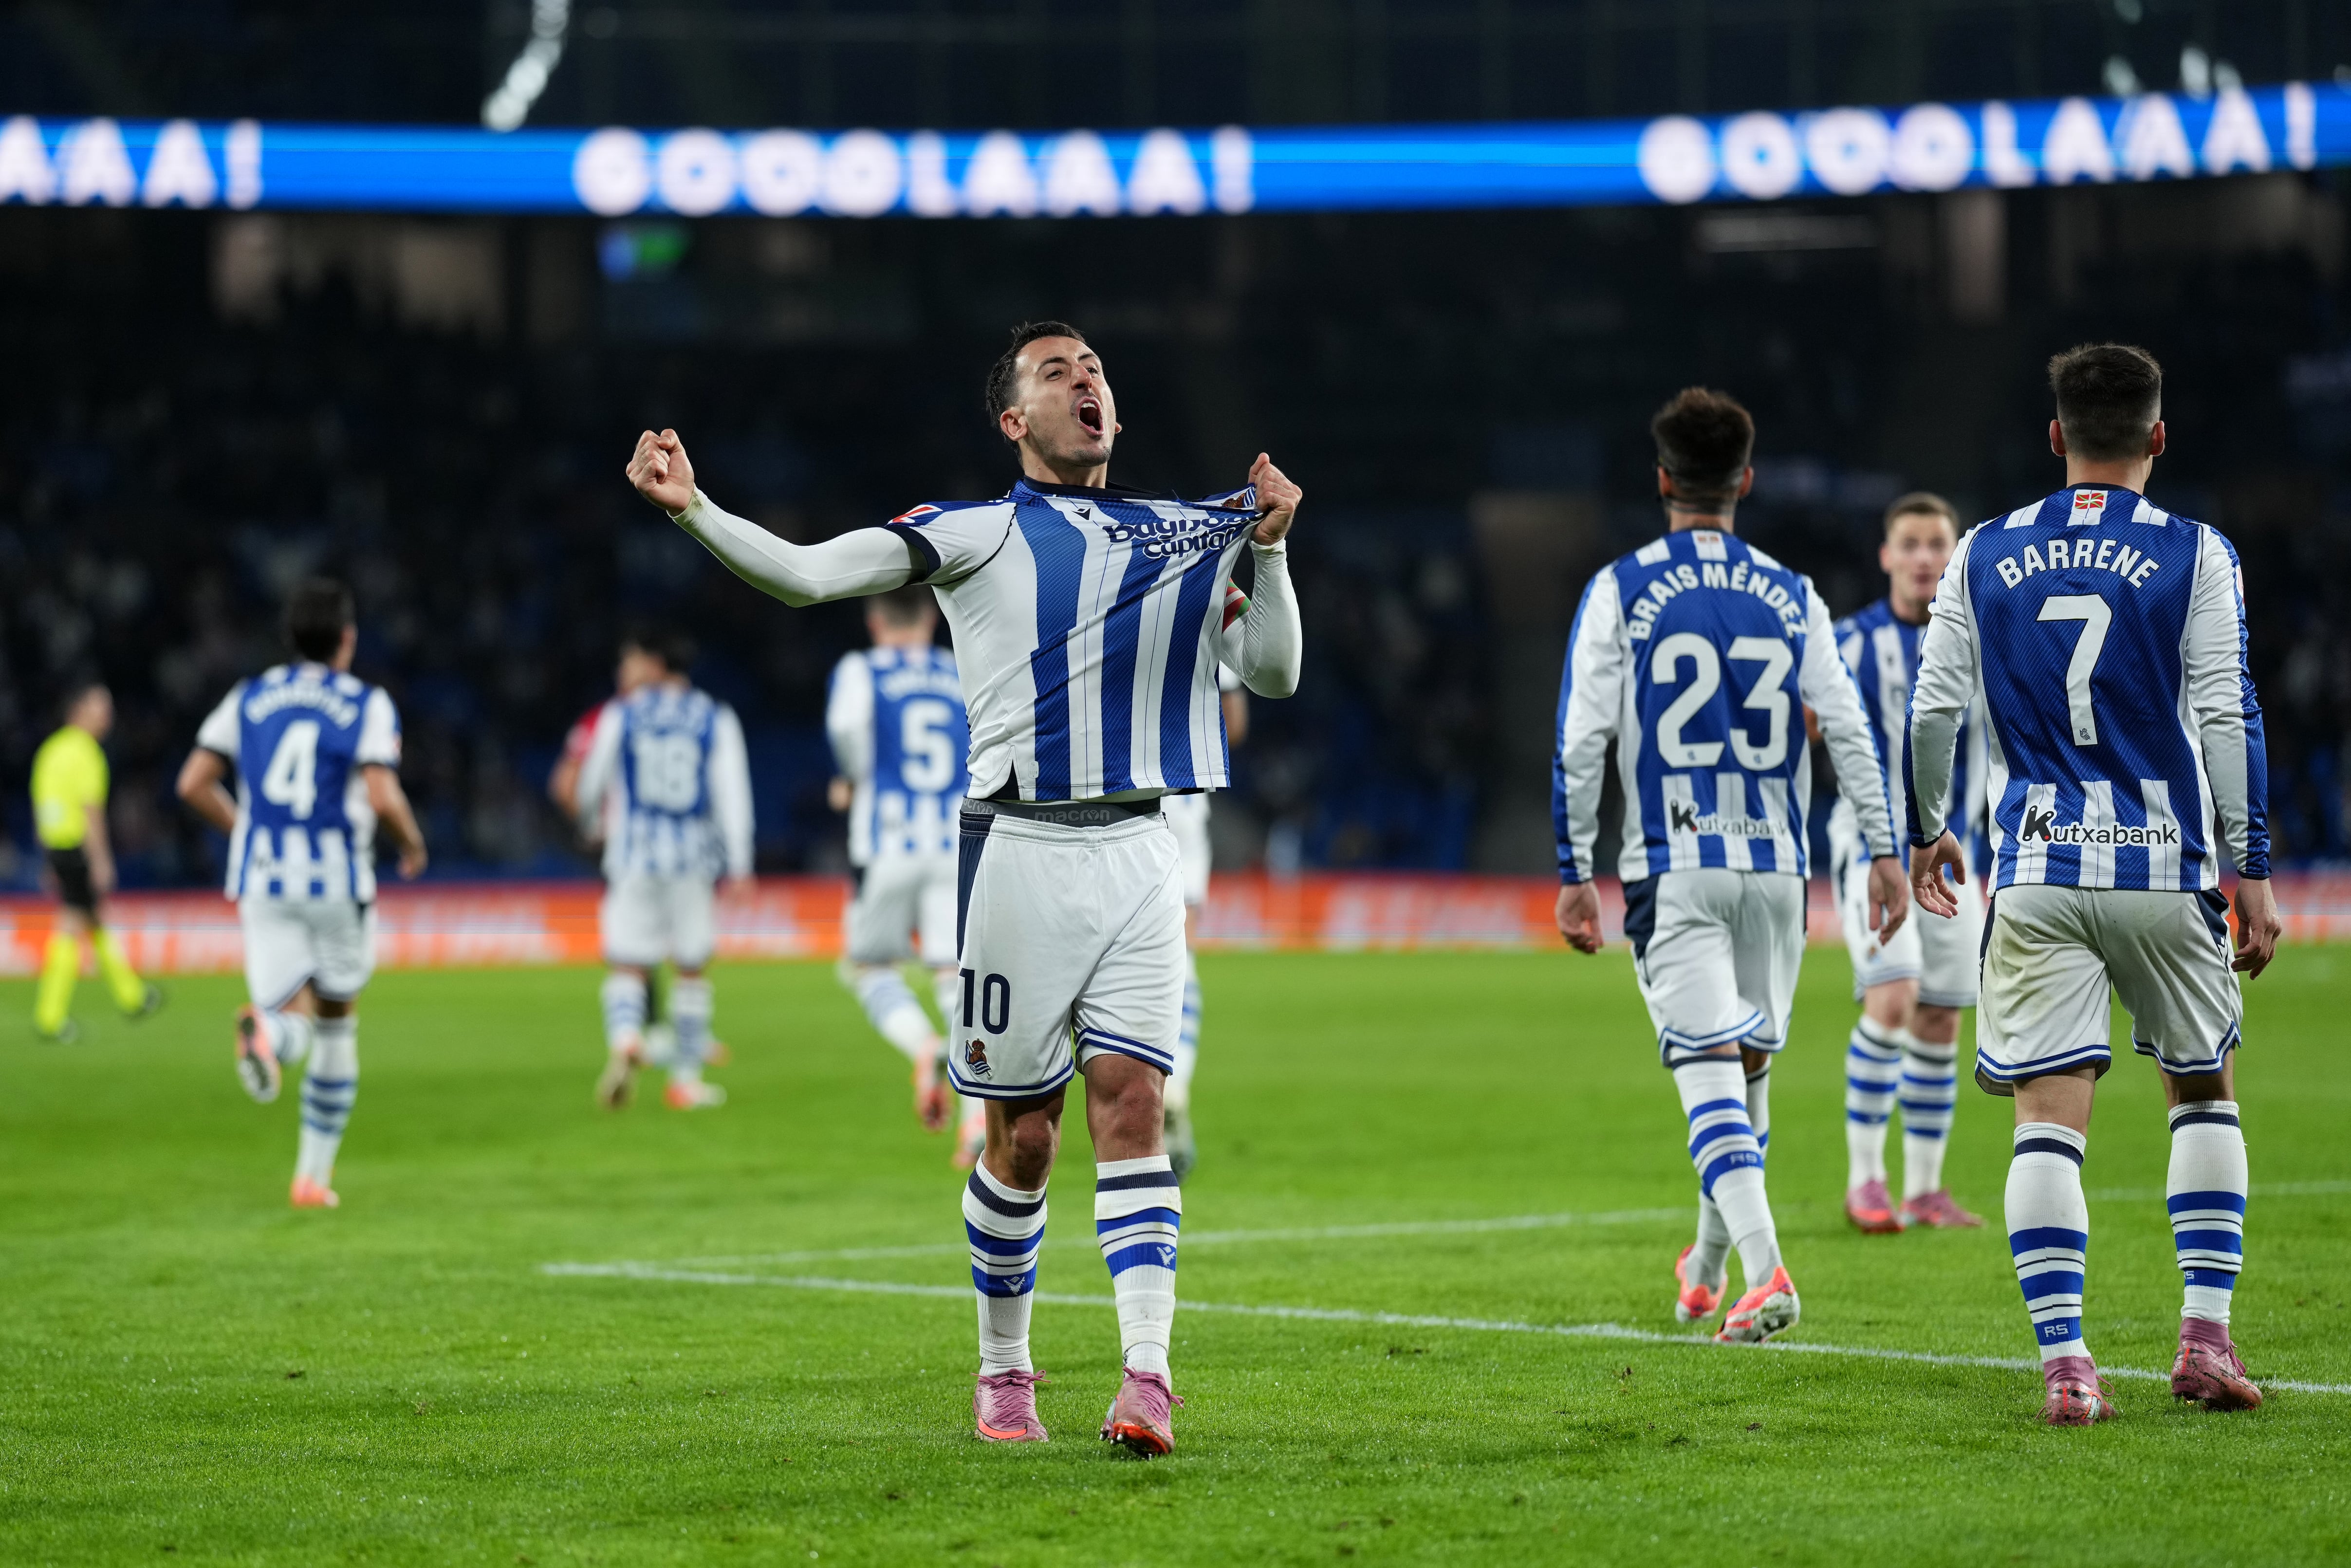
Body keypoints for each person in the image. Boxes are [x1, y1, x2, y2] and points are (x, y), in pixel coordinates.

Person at [625, 319, 1302, 1457]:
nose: (1084, 379)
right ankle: (1003, 1371)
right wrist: (693, 507)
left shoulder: (1186, 534)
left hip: (1142, 852)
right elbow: (801, 577)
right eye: (1055, 371)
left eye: (1093, 367)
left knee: (1133, 1106)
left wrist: (1271, 549)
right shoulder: (972, 534)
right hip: (1018, 857)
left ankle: (1147, 1378)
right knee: (1023, 1141)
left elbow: (1272, 673)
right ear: (1013, 420)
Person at [1905, 343, 2280, 1426]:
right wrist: (2246, 866)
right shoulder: (2194, 552)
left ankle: (2066, 1362)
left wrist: (1927, 828)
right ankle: (2202, 1337)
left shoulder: (1980, 550)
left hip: (2035, 870)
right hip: (2163, 867)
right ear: (2156, 437)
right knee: (2199, 1087)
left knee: (2044, 1121)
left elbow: (1933, 712)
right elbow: (2221, 709)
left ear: (2053, 436)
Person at [1554, 387, 1907, 1346]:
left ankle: (1765, 1270)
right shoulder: (1793, 593)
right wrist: (1882, 849)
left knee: (1710, 1068)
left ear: (1661, 479)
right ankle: (1705, 1266)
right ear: (1743, 482)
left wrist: (1570, 865)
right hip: (1778, 874)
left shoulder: (1620, 587)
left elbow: (1580, 740)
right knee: (1740, 1071)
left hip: (1675, 863)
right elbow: (1847, 729)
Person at [175, 579, 428, 1209]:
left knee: (292, 1010)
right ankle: (311, 1176)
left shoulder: (250, 696)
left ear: (289, 638)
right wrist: (412, 844)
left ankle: (267, 1033)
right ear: (348, 638)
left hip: (262, 881)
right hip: (336, 882)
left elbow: (192, 783)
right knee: (337, 1022)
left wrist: (250, 832)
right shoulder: (365, 702)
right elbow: (379, 792)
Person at [1828, 493, 1989, 1233]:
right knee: (1892, 1000)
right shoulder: (1848, 642)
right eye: (1911, 543)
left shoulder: (1987, 643)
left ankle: (1925, 1189)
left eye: (1937, 544)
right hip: (1872, 850)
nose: (1926, 556)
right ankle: (1866, 1181)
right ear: (1887, 556)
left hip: (1961, 855)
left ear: (1955, 556)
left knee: (1938, 1020)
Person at [825, 584, 986, 1164]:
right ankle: (975, 1120)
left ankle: (922, 1046)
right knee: (955, 977)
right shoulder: (957, 669)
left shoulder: (860, 669)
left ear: (875, 621)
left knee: (868, 966)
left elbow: (846, 730)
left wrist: (853, 775)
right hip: (955, 839)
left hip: (886, 839)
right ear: (929, 619)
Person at [573, 628, 753, 1112]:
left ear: (654, 664)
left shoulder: (622, 713)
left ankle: (628, 1035)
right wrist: (739, 861)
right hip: (692, 858)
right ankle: (686, 1081)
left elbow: (592, 779)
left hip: (633, 854)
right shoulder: (713, 716)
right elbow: (731, 792)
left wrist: (591, 823)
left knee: (628, 962)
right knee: (691, 967)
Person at [29, 682, 162, 1040]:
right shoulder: (86, 752)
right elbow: (91, 812)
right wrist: (102, 859)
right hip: (78, 848)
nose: (108, 715)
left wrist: (47, 860)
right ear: (79, 710)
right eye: (100, 707)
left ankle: (132, 995)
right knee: (74, 923)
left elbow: (43, 810)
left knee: (93, 919)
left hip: (58, 848)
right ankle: (51, 1016)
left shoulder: (50, 751)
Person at [1160, 659, 1249, 1178]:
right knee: (1181, 954)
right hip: (1185, 804)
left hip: (1114, 799)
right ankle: (1177, 1084)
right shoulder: (1206, 615)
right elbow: (1232, 724)